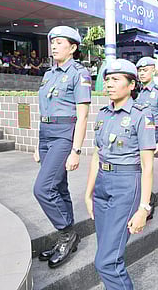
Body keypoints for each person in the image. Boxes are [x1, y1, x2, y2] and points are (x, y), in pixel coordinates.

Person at [84, 59, 155, 289]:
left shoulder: (140, 115)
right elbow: (97, 155)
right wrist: (89, 192)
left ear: (131, 84)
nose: (109, 84)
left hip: (126, 186)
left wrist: (144, 208)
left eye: (115, 79)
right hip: (103, 186)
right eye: (107, 80)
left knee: (106, 262)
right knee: (107, 252)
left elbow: (148, 166)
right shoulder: (103, 114)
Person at [33, 26, 91, 268]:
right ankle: (65, 238)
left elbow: (83, 115)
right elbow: (43, 110)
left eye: (59, 42)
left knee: (42, 189)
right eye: (52, 42)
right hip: (46, 134)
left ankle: (68, 234)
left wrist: (76, 150)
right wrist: (38, 144)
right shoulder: (49, 74)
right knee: (59, 187)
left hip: (63, 135)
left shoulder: (79, 73)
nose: (54, 46)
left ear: (73, 47)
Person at [135, 56, 158, 220]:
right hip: (136, 134)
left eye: (145, 70)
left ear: (153, 70)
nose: (142, 73)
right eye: (140, 70)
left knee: (145, 168)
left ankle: (148, 201)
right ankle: (145, 199)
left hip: (151, 135)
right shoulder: (136, 92)